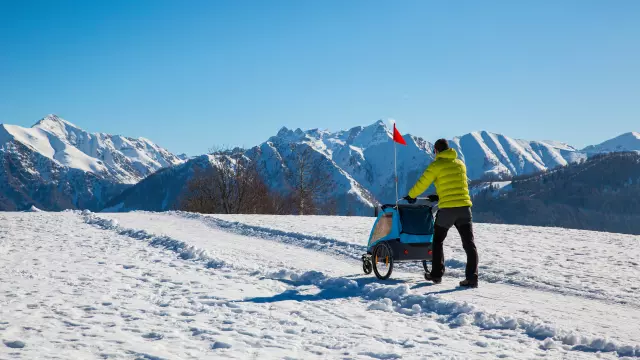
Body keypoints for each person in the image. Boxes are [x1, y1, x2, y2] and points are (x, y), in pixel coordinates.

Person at [403, 139, 478, 288]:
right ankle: (472, 278)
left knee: (437, 241)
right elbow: (456, 186)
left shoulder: (436, 165)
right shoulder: (460, 164)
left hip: (447, 211)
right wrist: (439, 196)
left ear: (436, 151)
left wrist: (411, 195)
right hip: (464, 209)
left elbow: (422, 183)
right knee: (469, 244)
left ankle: (436, 275)